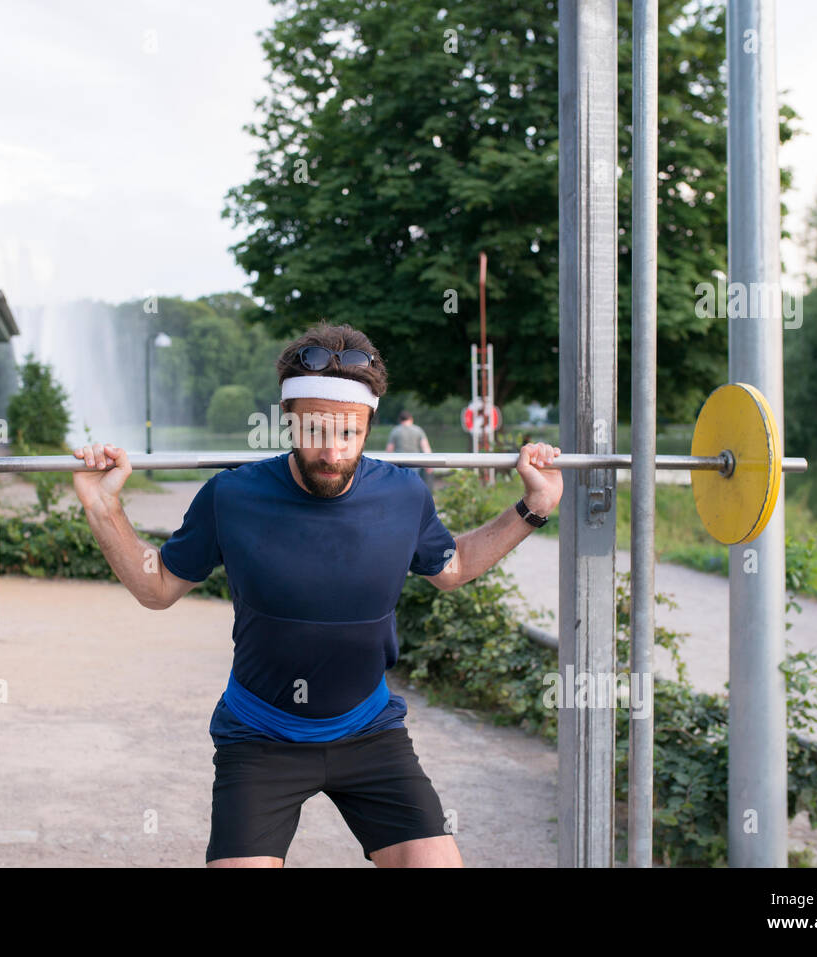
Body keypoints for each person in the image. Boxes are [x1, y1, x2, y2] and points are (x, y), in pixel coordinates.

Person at [71, 321, 562, 868]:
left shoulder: (402, 494)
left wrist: (532, 507)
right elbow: (157, 587)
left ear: (369, 424)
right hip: (260, 738)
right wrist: (103, 507)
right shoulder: (232, 496)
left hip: (369, 734)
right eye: (314, 432)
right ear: (288, 421)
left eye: (347, 433)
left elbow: (453, 566)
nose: (330, 451)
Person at [385, 409, 434, 489]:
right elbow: (425, 447)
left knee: (400, 486)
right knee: (414, 485)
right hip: (415, 462)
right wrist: (429, 464)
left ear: (400, 420)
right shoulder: (418, 430)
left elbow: (389, 450)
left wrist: (387, 466)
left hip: (399, 463)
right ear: (411, 419)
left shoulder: (395, 431)